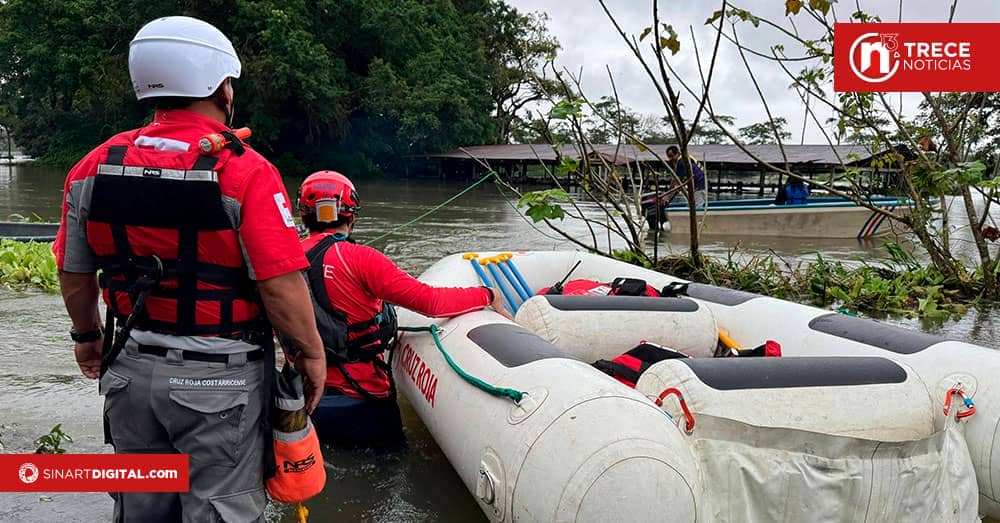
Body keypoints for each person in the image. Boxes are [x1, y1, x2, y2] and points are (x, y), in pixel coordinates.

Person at [53, 16, 326, 522]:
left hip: (129, 372)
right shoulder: (244, 170)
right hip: (220, 382)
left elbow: (74, 273)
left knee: (141, 507)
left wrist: (86, 338)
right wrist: (309, 355)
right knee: (220, 509)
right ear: (221, 86)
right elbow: (281, 285)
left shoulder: (92, 166)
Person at [295, 170, 509, 447]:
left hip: (305, 402)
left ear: (302, 216)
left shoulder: (282, 264)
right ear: (351, 216)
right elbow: (430, 302)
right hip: (364, 402)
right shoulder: (361, 259)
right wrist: (487, 294)